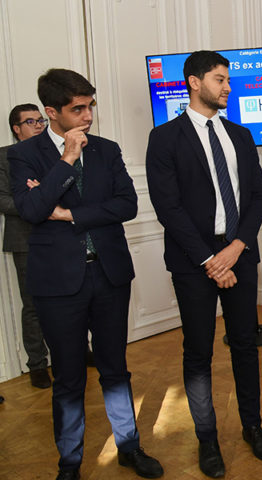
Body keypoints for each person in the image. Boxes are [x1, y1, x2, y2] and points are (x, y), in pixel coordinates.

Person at [8, 69, 163, 480]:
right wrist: (66, 160)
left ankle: (129, 447)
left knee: (115, 369)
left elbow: (126, 205)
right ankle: (70, 463)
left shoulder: (107, 150)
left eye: (90, 105)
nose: (88, 116)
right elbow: (31, 210)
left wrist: (71, 213)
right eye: (78, 109)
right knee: (69, 377)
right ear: (51, 112)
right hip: (58, 283)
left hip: (109, 275)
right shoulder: (23, 154)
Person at [146, 50, 262, 478]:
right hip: (192, 260)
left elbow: (258, 196)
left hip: (239, 253)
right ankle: (208, 439)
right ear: (195, 82)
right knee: (198, 352)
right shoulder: (164, 138)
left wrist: (236, 248)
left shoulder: (240, 134)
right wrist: (209, 259)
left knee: (245, 344)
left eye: (228, 80)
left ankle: (253, 426)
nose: (227, 87)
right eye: (220, 79)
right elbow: (168, 208)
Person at [0, 103, 51, 389]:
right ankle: (37, 365)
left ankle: (79, 351)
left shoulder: (54, 153)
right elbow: (3, 200)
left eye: (40, 120)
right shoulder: (4, 158)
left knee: (73, 299)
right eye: (30, 122)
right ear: (16, 129)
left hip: (60, 236)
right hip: (25, 240)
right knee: (32, 305)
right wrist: (38, 202)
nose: (38, 126)